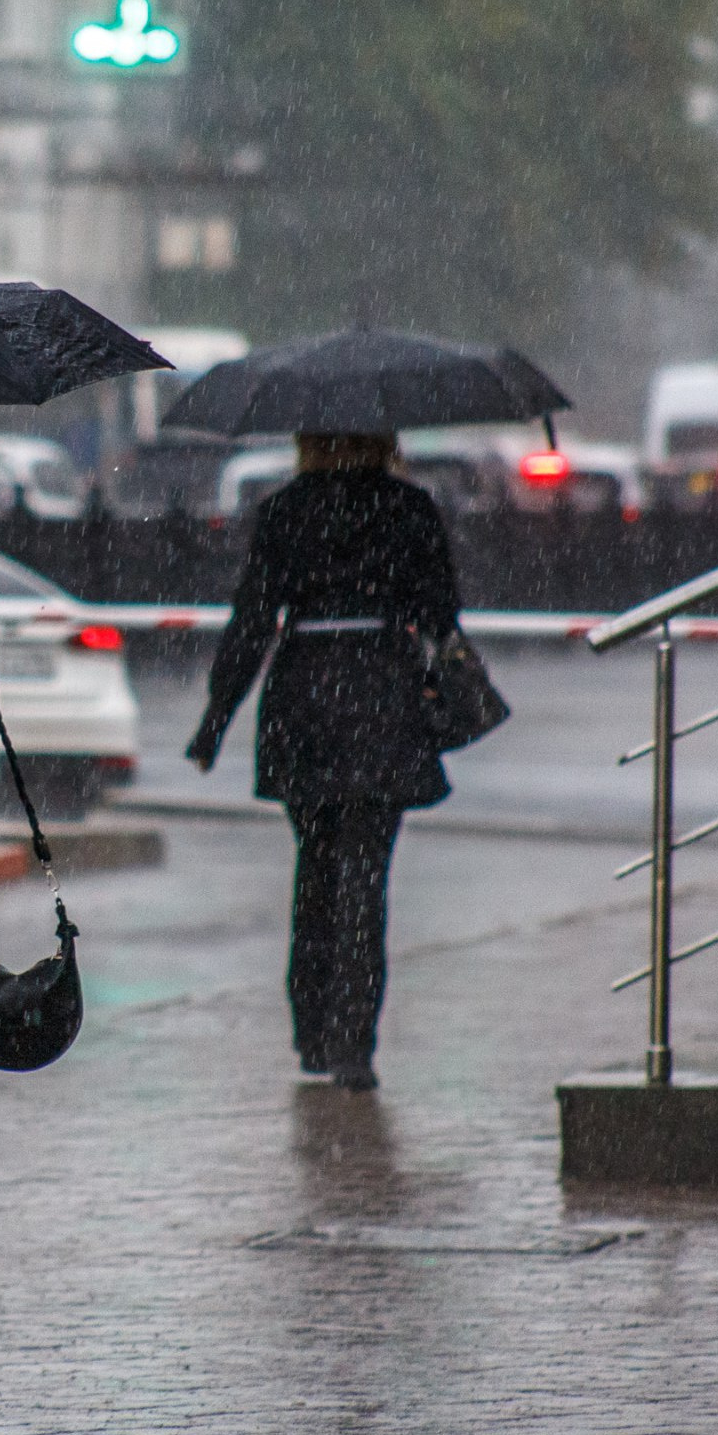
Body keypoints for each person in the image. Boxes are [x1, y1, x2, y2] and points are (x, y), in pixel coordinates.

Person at [185, 431, 463, 1093]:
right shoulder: (410, 508)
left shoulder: (284, 509)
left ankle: (310, 1027)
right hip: (382, 693)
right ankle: (352, 1042)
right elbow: (442, 610)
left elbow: (252, 618)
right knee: (366, 877)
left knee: (315, 867)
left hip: (303, 697)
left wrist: (216, 718)